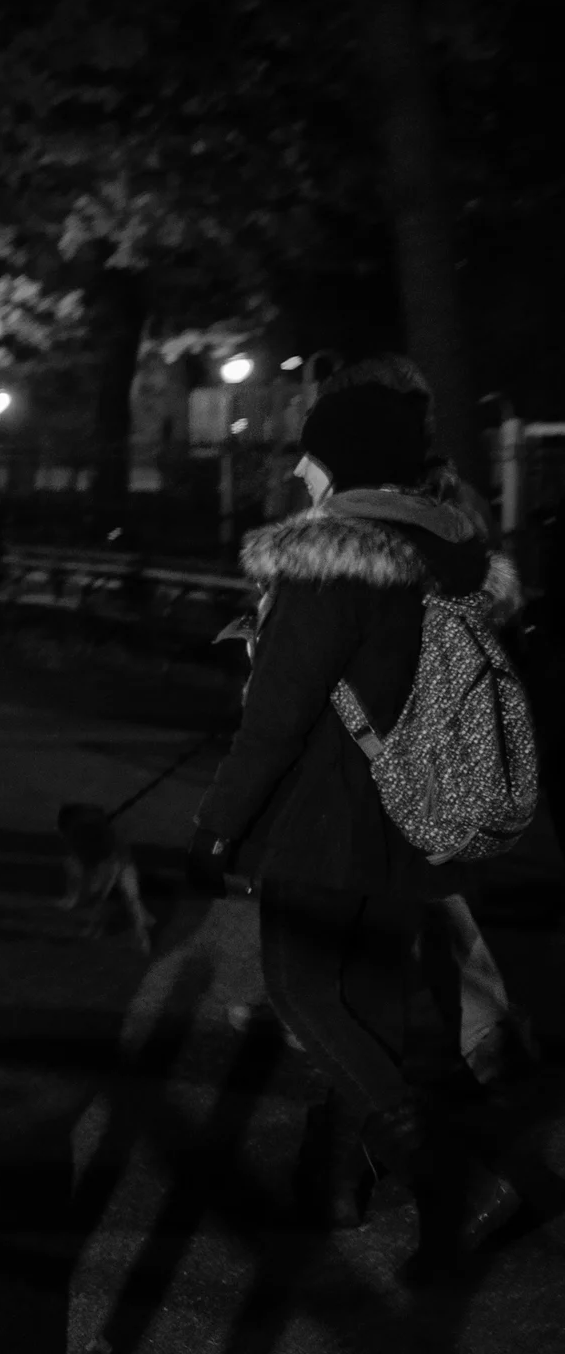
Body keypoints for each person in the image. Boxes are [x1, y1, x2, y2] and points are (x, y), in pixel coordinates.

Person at [185, 357, 525, 1267]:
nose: (300, 470)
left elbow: (276, 720)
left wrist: (216, 825)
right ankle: (340, 1183)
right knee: (367, 1001)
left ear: (343, 463)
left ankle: (457, 1178)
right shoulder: (448, 554)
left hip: (325, 819)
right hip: (414, 810)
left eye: (312, 456)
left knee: (303, 991)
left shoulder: (329, 562)